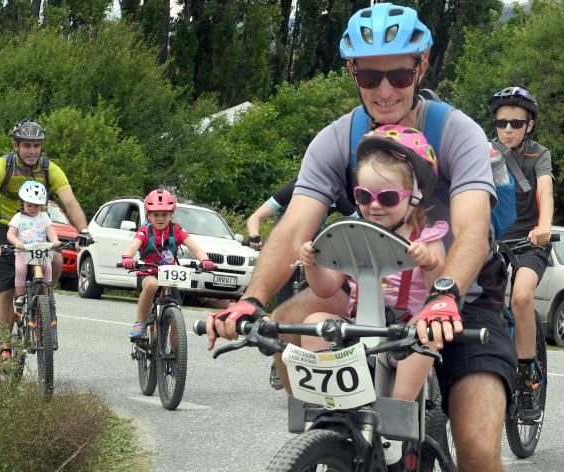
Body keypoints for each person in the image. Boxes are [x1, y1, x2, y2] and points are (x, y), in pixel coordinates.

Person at [206, 4, 515, 470]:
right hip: (370, 290)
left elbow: (472, 230)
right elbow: (293, 227)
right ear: (352, 72)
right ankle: (342, 432)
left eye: (399, 75)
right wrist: (250, 300)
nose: (386, 89)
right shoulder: (336, 139)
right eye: (371, 76)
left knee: (475, 446)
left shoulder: (458, 133)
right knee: (287, 320)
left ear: (421, 68)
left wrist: (446, 294)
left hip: (462, 298)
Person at [298, 125, 447, 404]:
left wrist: (429, 265)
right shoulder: (354, 234)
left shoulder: (426, 238)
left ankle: (400, 408)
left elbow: (439, 290)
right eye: (364, 196)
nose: (374, 205)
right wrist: (313, 265)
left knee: (426, 330)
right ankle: (331, 405)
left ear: (414, 197)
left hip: (405, 333)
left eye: (388, 197)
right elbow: (326, 288)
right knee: (314, 324)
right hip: (360, 326)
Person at [0, 119, 93, 362]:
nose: (32, 151)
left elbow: (69, 202)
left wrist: (83, 230)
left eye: (36, 146)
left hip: (37, 228)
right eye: (27, 145)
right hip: (6, 228)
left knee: (59, 259)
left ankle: (43, 302)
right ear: (16, 146)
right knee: (7, 287)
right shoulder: (1, 166)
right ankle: (5, 346)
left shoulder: (50, 169)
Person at [246, 179, 359, 390]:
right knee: (285, 308)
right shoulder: (296, 187)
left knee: (315, 292)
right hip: (288, 247)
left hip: (313, 250)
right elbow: (256, 217)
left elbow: (359, 222)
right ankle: (279, 356)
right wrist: (254, 235)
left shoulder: (335, 193)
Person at [489, 86, 554, 421]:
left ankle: (527, 382)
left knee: (522, 298)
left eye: (516, 122)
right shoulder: (486, 153)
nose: (508, 129)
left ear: (530, 125)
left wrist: (544, 225)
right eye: (502, 123)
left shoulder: (539, 155)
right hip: (492, 242)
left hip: (531, 242)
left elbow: (544, 189)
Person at [121, 189, 216, 339]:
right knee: (152, 284)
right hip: (148, 272)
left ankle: (175, 345)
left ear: (171, 215)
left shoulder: (176, 230)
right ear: (148, 215)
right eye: (156, 214)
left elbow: (195, 248)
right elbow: (134, 246)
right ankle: (140, 322)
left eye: (164, 214)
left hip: (170, 274)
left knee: (175, 306)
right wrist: (127, 257)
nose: (160, 218)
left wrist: (205, 260)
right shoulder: (145, 230)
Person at [245, 178, 358, 250]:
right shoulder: (293, 189)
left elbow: (360, 225)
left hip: (312, 243)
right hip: (284, 240)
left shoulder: (337, 196)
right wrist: (254, 237)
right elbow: (255, 217)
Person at [6, 181, 61, 316]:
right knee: (20, 270)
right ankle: (20, 296)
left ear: (41, 205)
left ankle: (47, 295)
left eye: (36, 205)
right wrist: (17, 242)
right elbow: (10, 234)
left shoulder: (44, 216)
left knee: (48, 268)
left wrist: (54, 240)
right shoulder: (18, 217)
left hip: (41, 251)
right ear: (22, 203)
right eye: (29, 205)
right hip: (23, 251)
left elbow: (50, 231)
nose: (32, 208)